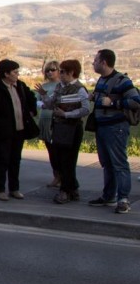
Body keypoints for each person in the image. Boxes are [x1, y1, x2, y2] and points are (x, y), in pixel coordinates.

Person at [87, 49, 140, 214]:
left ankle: (123, 199)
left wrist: (112, 104)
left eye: (95, 60)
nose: (93, 63)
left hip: (116, 127)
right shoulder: (101, 80)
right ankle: (109, 196)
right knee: (107, 164)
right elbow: (101, 99)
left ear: (104, 62)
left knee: (119, 164)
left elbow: (135, 101)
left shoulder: (122, 81)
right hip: (102, 126)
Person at [0, 59, 39, 201]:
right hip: (2, 133)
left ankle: (14, 188)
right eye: (15, 72)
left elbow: (31, 98)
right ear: (6, 74)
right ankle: (0, 189)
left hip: (19, 130)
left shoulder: (20, 86)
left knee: (15, 160)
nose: (17, 74)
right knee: (2, 161)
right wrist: (1, 124)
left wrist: (31, 112)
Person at [34, 59, 90, 203]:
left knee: (68, 160)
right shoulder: (60, 86)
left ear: (71, 72)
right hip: (59, 127)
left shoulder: (79, 89)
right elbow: (51, 103)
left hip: (72, 128)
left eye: (62, 71)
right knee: (61, 160)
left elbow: (85, 109)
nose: (60, 74)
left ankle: (65, 191)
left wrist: (66, 114)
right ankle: (73, 189)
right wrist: (44, 95)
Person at [36, 60, 61, 188]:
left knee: (59, 150)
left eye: (53, 70)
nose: (50, 72)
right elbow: (36, 101)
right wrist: (43, 104)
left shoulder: (62, 85)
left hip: (57, 120)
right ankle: (56, 175)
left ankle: (62, 175)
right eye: (48, 70)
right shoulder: (44, 86)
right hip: (45, 119)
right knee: (51, 150)